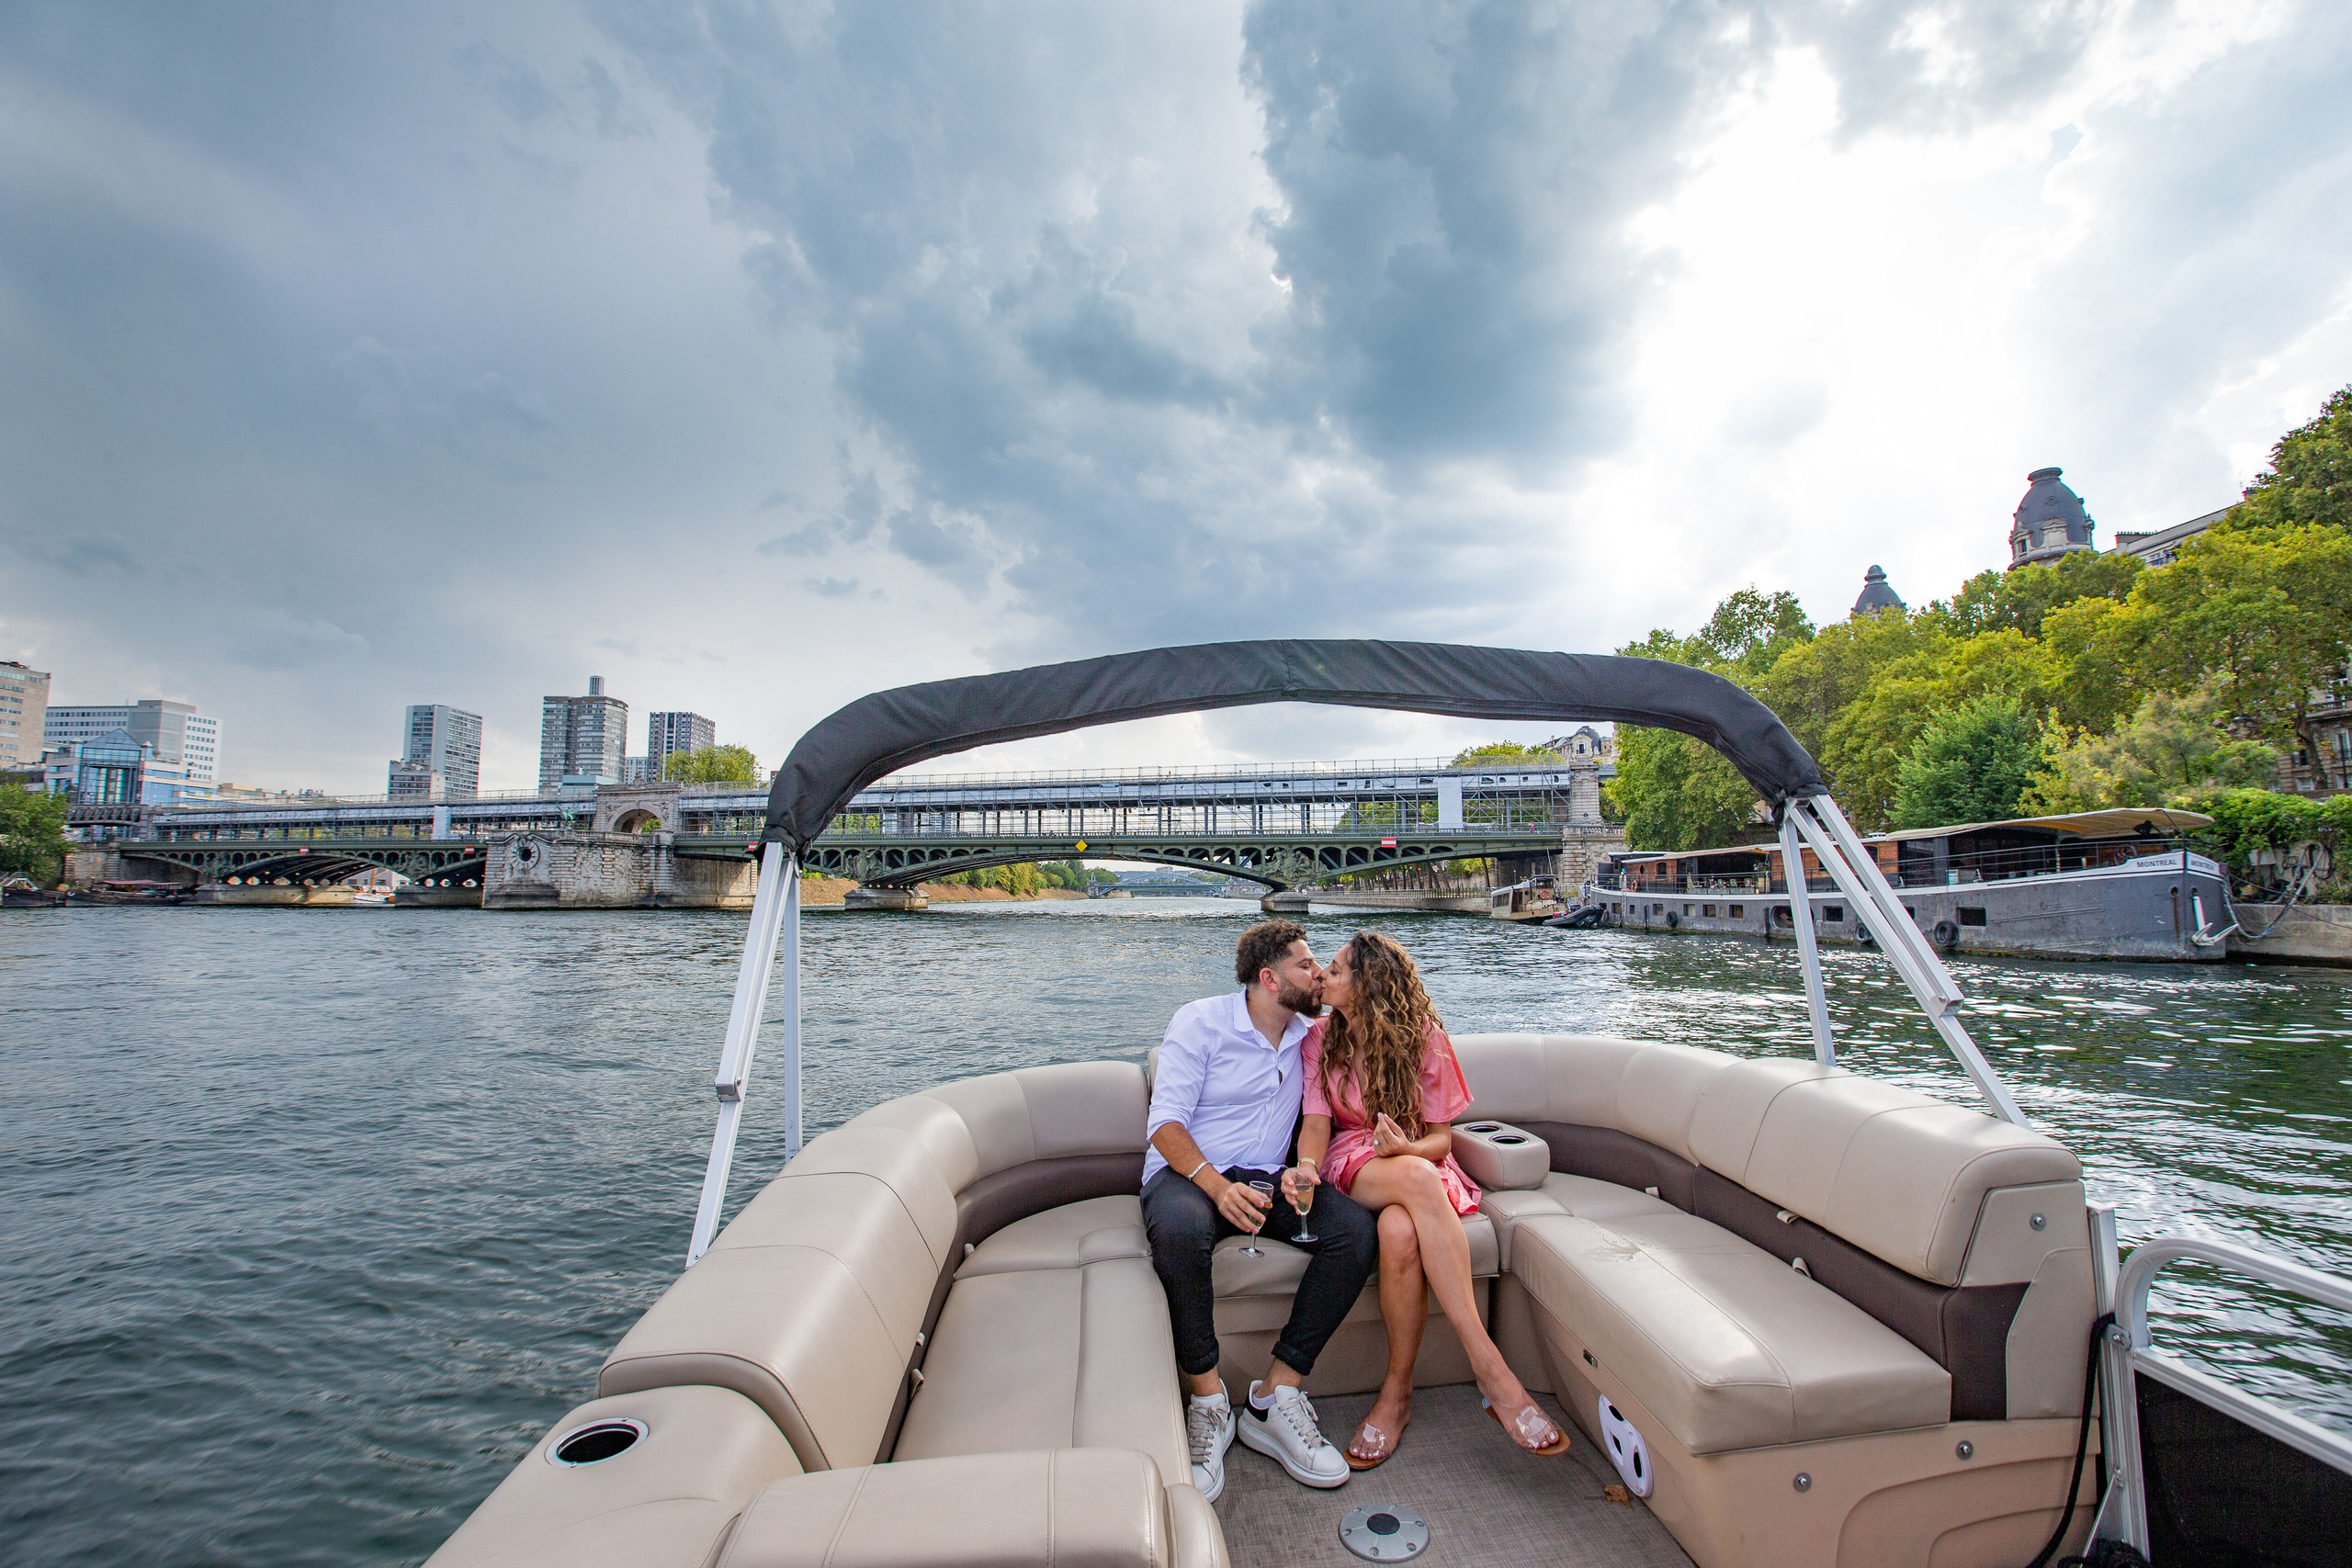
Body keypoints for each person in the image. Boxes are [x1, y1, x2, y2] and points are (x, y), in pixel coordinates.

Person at [1299, 931, 1569, 1468]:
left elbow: (1441, 1140)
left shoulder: (1424, 1037)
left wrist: (1405, 1147)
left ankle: (1395, 1395)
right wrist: (1306, 1168)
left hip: (1417, 1158)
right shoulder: (1318, 1039)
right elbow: (1316, 1123)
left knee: (1400, 1231)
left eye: (1333, 969)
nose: (1321, 977)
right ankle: (1490, 1369)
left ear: (1366, 984)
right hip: (1353, 1159)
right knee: (1420, 1180)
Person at [1143, 919, 1380, 1503]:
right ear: (1270, 979)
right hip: (1190, 1175)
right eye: (1306, 964)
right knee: (1178, 1232)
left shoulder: (1313, 1034)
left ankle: (1275, 1395)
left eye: (1321, 963)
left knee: (1353, 1231)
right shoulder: (1199, 1022)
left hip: (1272, 1183)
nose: (1319, 972)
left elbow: (1389, 1029)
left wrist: (1305, 1168)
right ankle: (1208, 1400)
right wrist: (1216, 1186)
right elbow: (1164, 1127)